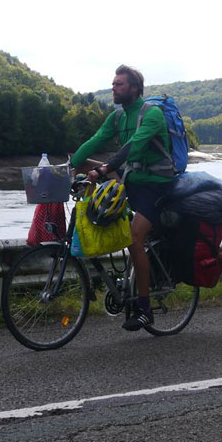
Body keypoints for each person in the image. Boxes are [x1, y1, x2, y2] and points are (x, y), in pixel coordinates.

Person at [70, 64, 175, 330]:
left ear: (134, 88)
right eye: (113, 83)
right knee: (107, 222)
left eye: (119, 84)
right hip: (130, 181)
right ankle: (126, 285)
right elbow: (96, 140)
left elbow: (134, 146)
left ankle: (144, 308)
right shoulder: (117, 117)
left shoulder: (152, 114)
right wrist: (73, 165)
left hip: (157, 185)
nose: (114, 88)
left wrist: (103, 169)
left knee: (135, 239)